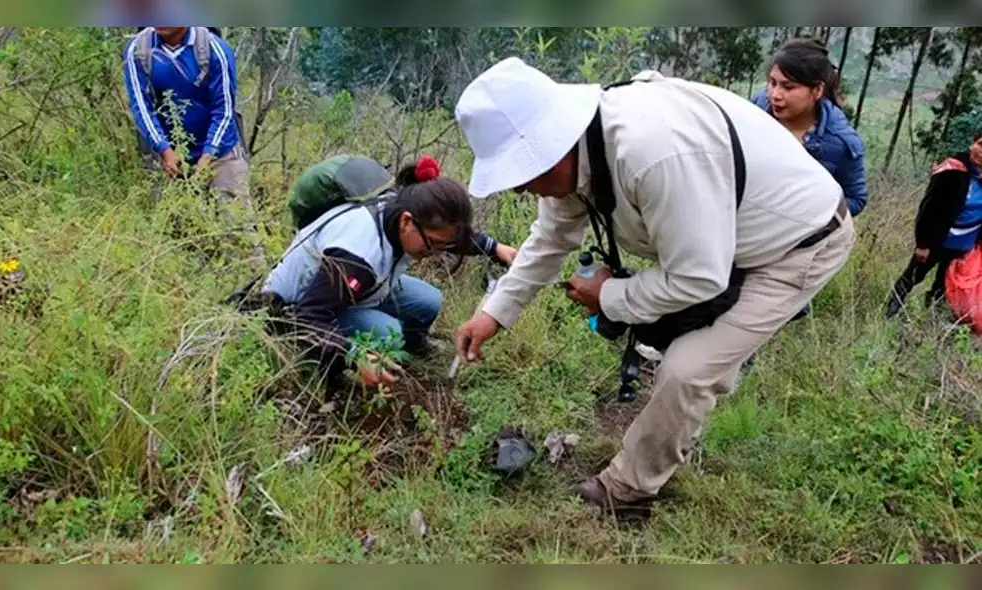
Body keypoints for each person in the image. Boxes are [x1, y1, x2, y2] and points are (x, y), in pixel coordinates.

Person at [452, 57, 855, 509]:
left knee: (688, 369)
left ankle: (628, 489)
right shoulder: (583, 147)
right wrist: (494, 313)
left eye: (523, 179)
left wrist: (606, 295)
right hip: (727, 239)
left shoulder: (654, 154)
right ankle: (673, 433)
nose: (527, 191)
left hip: (799, 242)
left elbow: (698, 276)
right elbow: (552, 236)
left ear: (552, 147)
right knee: (682, 347)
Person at [261, 156, 517, 389]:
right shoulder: (358, 254)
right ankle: (333, 373)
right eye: (433, 245)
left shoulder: (404, 209)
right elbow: (308, 317)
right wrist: (354, 356)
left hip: (357, 289)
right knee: (387, 334)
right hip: (299, 307)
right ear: (406, 222)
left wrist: (494, 248)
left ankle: (411, 349)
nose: (438, 253)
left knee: (429, 300)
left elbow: (450, 236)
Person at [751, 37, 868, 324]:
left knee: (753, 314)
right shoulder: (756, 109)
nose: (775, 95)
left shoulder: (840, 144)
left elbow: (856, 199)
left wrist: (805, 213)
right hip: (743, 227)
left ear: (817, 90)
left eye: (788, 87)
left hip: (785, 248)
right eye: (772, 83)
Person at [122, 27, 250, 206]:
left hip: (221, 152)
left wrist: (209, 154)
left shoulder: (214, 49)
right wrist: (164, 149)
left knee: (234, 218)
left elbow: (224, 109)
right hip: (168, 155)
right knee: (172, 218)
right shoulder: (138, 50)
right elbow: (142, 108)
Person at [885, 131, 982, 319]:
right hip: (937, 241)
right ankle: (890, 311)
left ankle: (933, 319)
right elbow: (928, 210)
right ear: (972, 144)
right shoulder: (952, 171)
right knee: (913, 276)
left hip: (964, 246)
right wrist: (923, 244)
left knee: (945, 284)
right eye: (980, 144)